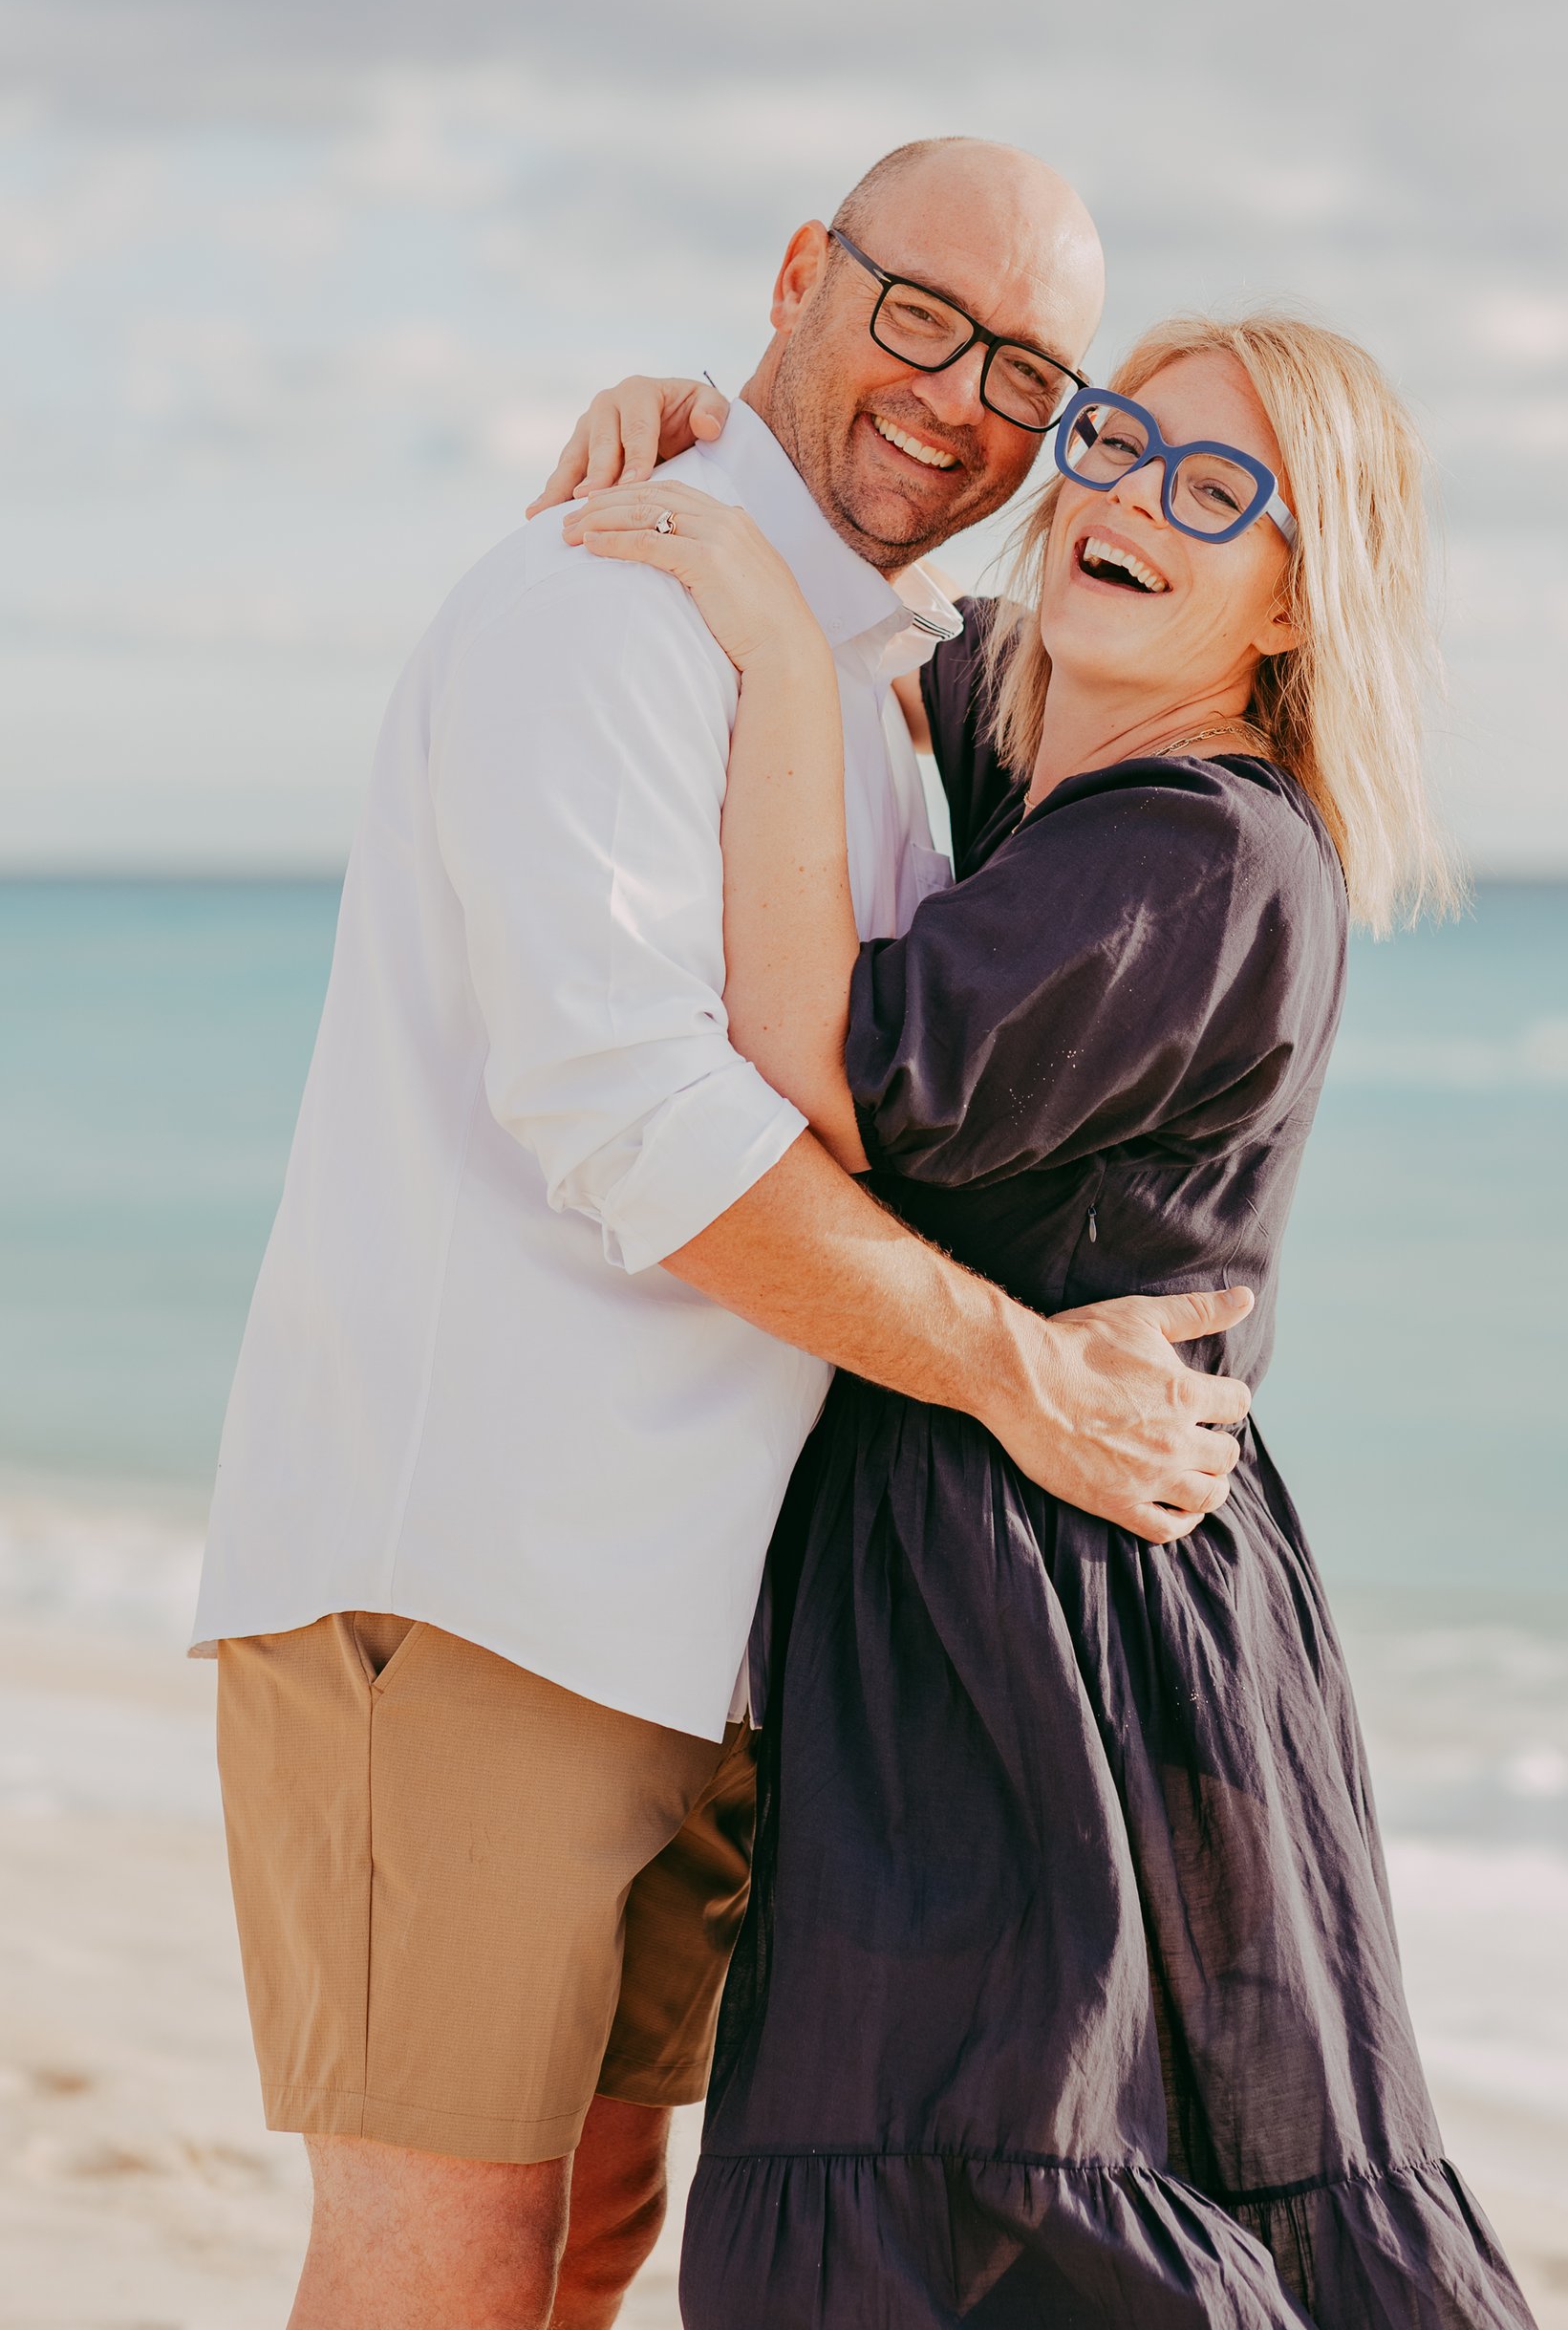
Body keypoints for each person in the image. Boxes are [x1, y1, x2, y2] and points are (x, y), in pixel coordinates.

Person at [191, 140, 1259, 2330]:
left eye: (1026, 372)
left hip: (700, 1621)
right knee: (445, 2261)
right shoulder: (604, 601)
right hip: (469, 1582)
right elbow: (637, 1118)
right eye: (917, 315)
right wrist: (1019, 1375)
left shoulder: (883, 675)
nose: (956, 399)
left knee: (589, 2234)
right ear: (800, 274)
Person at [556, 318, 1536, 2326]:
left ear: (1293, 604)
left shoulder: (1199, 846)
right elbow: (896, 611)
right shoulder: (1054, 751)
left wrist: (768, 643)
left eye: (1216, 491)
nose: (1130, 496)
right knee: (989, 2204)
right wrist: (706, 429)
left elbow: (839, 1065)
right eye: (1115, 439)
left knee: (1006, 2211)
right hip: (1003, 1560)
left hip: (1062, 1604)